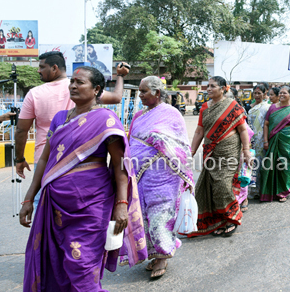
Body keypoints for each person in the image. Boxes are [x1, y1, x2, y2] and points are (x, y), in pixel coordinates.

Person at [19, 66, 147, 291]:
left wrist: (121, 204)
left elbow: (119, 166)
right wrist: (29, 198)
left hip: (92, 204)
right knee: (56, 262)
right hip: (55, 203)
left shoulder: (106, 119)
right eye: (72, 82)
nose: (73, 86)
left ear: (96, 89)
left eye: (80, 83)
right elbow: (44, 160)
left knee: (82, 263)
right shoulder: (60, 118)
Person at [15, 51, 126, 180]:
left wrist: (19, 159)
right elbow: (116, 97)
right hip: (76, 158)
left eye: (42, 67)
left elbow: (21, 130)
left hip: (48, 160)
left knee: (43, 199)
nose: (39, 71)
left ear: (54, 68)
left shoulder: (35, 94)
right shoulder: (84, 87)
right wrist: (120, 76)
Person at [129, 76, 193, 278]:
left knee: (160, 216)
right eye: (139, 91)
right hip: (139, 174)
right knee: (143, 213)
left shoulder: (171, 113)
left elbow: (181, 145)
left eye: (144, 91)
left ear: (157, 92)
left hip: (164, 174)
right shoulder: (139, 116)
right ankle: (153, 253)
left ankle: (163, 256)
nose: (140, 95)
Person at [188, 76, 251, 237]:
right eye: (207, 86)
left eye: (212, 86)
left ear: (223, 88)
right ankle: (220, 221)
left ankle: (232, 218)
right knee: (210, 187)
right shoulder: (204, 107)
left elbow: (243, 130)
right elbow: (199, 131)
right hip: (210, 153)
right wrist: (191, 152)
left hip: (228, 151)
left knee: (222, 185)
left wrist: (246, 151)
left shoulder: (232, 106)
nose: (208, 89)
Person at [247, 84, 271, 199]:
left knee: (262, 164)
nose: (257, 95)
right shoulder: (250, 108)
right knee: (253, 164)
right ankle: (254, 189)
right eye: (255, 93)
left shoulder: (267, 107)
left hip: (263, 139)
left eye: (259, 93)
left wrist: (266, 140)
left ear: (264, 94)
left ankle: (263, 190)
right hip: (252, 139)